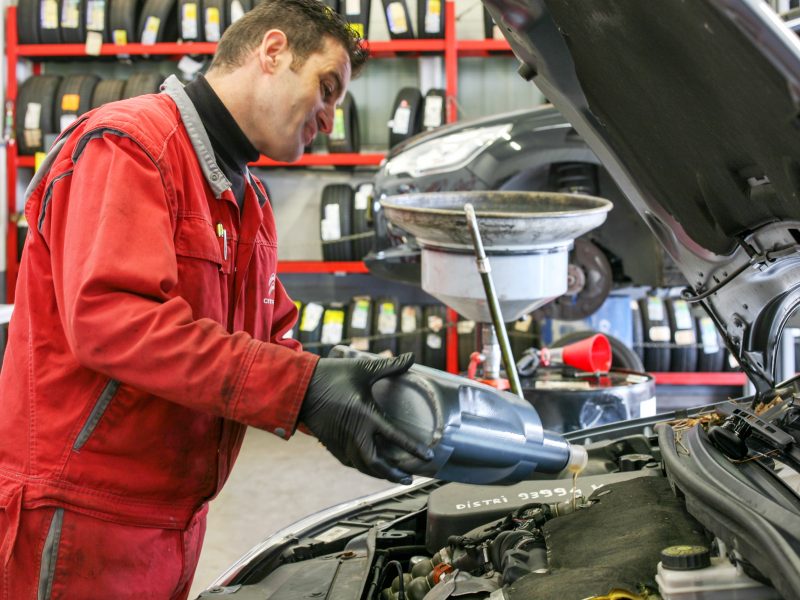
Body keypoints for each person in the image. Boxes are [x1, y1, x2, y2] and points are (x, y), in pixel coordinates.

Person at [0, 1, 431, 597]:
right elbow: (114, 322)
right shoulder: (128, 145)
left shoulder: (246, 198)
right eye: (327, 88)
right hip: (80, 519)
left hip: (171, 520)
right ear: (273, 50)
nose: (330, 118)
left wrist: (340, 385)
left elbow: (262, 343)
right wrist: (299, 388)